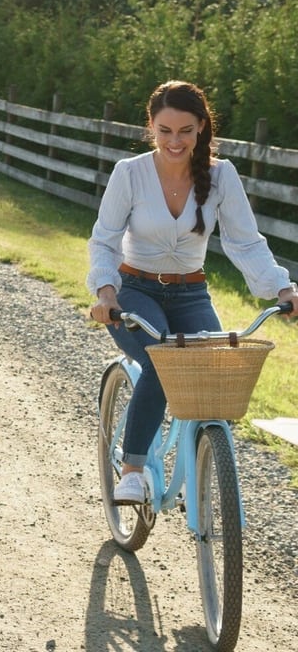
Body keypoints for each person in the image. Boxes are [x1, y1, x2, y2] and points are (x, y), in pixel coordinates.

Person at [87, 80, 297, 505]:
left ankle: (198, 462)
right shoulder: (130, 173)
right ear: (151, 126)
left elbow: (246, 242)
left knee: (215, 374)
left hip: (191, 293)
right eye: (164, 130)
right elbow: (104, 241)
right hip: (134, 291)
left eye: (185, 130)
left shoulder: (221, 176)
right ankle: (132, 471)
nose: (175, 141)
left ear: (201, 127)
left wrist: (282, 287)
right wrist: (106, 294)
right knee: (160, 361)